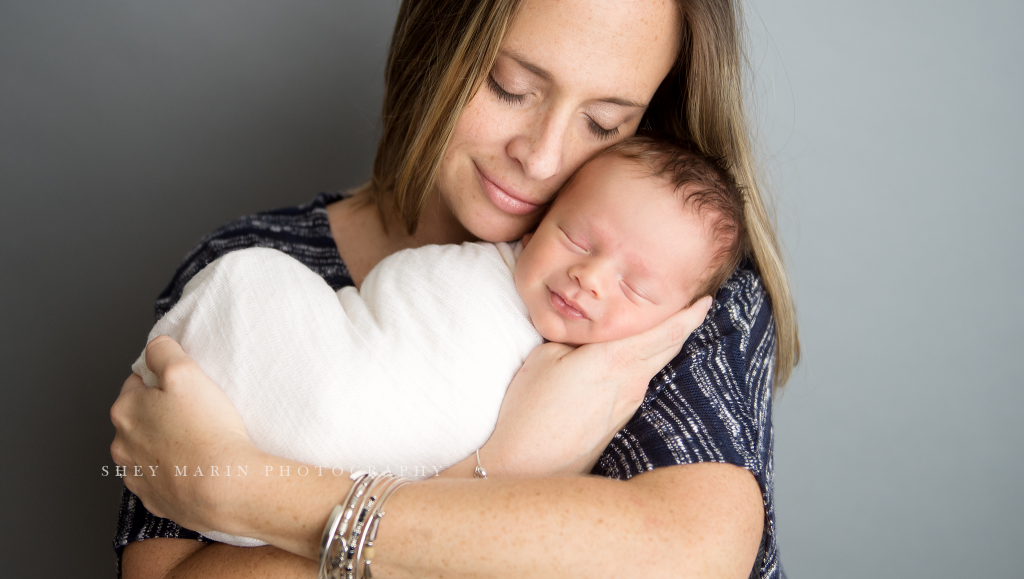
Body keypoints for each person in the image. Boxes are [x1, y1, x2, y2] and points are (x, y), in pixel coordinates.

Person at [109, 0, 800, 578]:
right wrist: (503, 467)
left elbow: (687, 556)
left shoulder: (658, 285)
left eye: (603, 123)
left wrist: (245, 490)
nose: (544, 156)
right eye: (511, 86)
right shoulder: (249, 270)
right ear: (436, 32)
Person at [129, 139, 744, 549]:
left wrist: (248, 491)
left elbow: (688, 552)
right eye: (576, 239)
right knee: (251, 282)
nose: (589, 277)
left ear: (682, 317)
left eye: (635, 288)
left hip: (262, 480)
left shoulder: (671, 355)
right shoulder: (478, 274)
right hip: (277, 388)